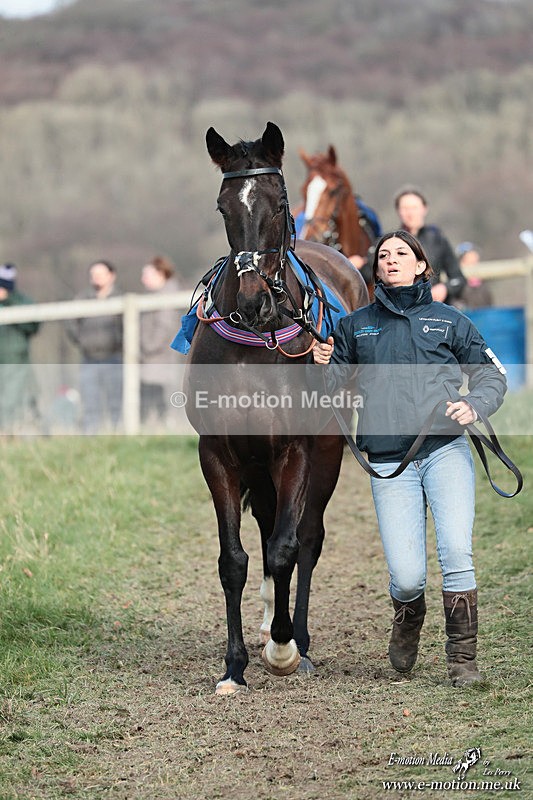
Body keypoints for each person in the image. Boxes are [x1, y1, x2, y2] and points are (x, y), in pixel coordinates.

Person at [311, 230, 507, 687]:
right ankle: (408, 616)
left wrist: (475, 403)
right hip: (386, 462)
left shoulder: (449, 320)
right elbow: (331, 388)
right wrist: (320, 364)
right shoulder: (355, 326)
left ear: (421, 265)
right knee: (406, 577)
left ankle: (462, 661)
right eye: (384, 255)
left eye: (402, 254)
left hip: (445, 451)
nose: (392, 260)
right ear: (376, 269)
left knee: (457, 551)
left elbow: (491, 374)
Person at [66, 260, 123, 434]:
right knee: (90, 403)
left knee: (116, 403)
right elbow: (70, 325)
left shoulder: (121, 299)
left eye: (100, 274)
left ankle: (117, 435)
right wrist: (83, 342)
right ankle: (91, 438)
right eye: (93, 275)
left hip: (114, 358)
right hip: (89, 360)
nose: (96, 278)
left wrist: (119, 342)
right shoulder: (82, 299)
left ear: (111, 276)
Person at [394, 186, 467, 304]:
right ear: (398, 211)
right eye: (405, 208)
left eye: (414, 208)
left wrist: (445, 288)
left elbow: (458, 279)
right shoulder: (391, 242)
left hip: (433, 307)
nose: (410, 213)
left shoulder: (437, 239)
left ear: (424, 209)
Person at [139, 255, 180, 426]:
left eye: (147, 275)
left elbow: (164, 328)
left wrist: (145, 347)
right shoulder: (154, 296)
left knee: (159, 404)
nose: (143, 279)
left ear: (161, 274)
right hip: (152, 360)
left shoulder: (166, 297)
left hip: (157, 359)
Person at [0, 263, 40, 432]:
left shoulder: (21, 301)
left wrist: (10, 303)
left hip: (15, 361)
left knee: (13, 400)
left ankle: (8, 432)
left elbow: (33, 326)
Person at [454, 242, 493, 310]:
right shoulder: (454, 288)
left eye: (476, 262)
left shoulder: (483, 288)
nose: (474, 267)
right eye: (469, 263)